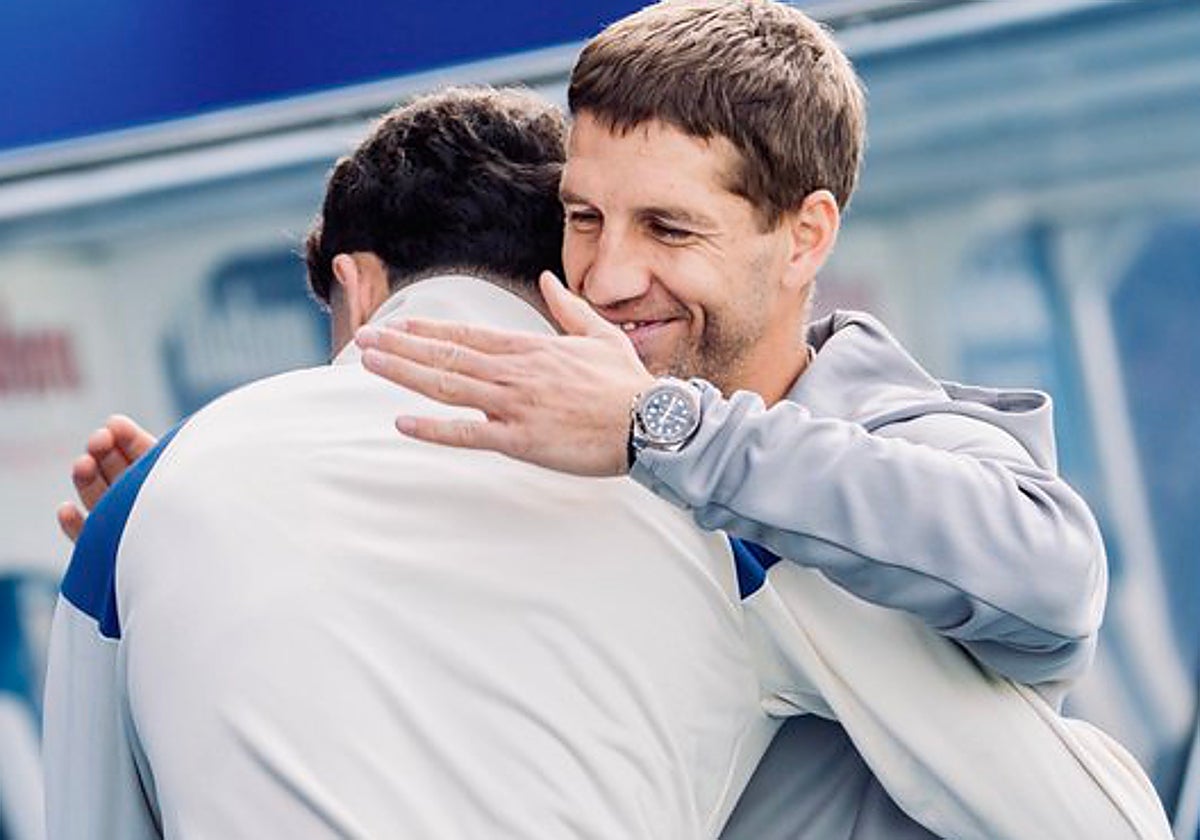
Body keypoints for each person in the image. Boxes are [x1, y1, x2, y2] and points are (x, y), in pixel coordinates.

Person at [44, 87, 1171, 840]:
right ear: (572, 280)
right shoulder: (708, 511)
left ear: (358, 284)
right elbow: (1059, 810)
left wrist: (161, 533)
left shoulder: (160, 495)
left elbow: (91, 812)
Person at [347, 2, 1115, 835]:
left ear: (804, 237)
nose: (605, 278)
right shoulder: (561, 446)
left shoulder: (906, 444)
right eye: (583, 219)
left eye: (668, 229)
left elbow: (1054, 577)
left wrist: (661, 429)